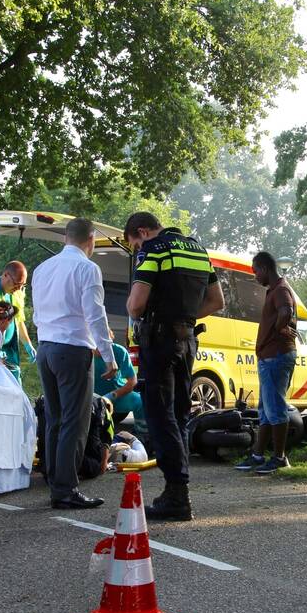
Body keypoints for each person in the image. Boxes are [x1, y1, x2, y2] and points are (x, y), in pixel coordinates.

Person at [124, 211, 224, 521]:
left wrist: (154, 313)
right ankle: (179, 489)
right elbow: (216, 301)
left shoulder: (153, 249)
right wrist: (187, 315)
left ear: (142, 232)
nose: (136, 249)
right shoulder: (197, 249)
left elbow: (136, 305)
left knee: (159, 413)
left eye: (133, 244)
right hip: (188, 340)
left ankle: (177, 493)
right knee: (180, 413)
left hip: (161, 339)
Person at [32, 218, 117, 510]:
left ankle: (56, 481)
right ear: (90, 239)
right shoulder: (87, 268)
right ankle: (66, 489)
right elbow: (95, 315)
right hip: (72, 349)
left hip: (46, 347)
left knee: (54, 419)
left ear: (65, 238)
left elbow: (35, 314)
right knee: (74, 421)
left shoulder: (42, 269)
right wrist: (108, 355)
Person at [235, 252, 298, 475]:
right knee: (266, 409)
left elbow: (286, 310)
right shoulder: (275, 289)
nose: (255, 277)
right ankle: (257, 455)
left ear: (264, 268)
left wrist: (280, 327)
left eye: (255, 271)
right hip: (270, 356)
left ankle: (279, 458)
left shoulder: (280, 289)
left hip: (276, 356)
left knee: (276, 408)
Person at [93, 329, 148, 440]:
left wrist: (111, 396)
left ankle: (143, 435)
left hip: (117, 396)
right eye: (96, 344)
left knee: (140, 401)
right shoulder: (83, 353)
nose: (100, 349)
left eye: (104, 344)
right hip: (93, 398)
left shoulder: (119, 351)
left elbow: (132, 382)